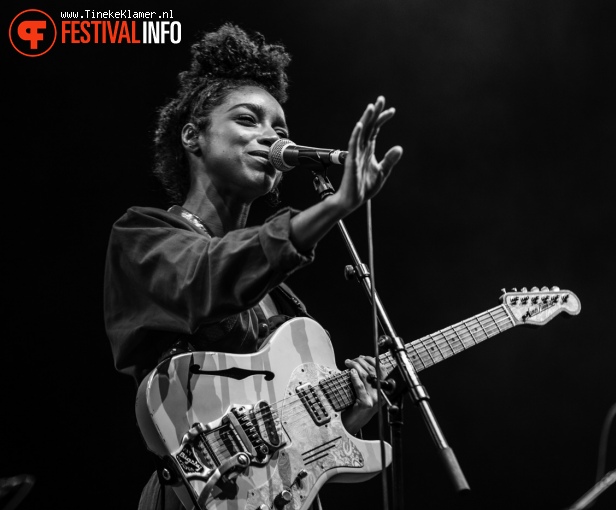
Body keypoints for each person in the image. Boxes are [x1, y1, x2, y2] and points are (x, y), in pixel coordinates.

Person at [103, 23, 403, 510]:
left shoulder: (278, 299)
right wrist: (332, 208)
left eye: (280, 130)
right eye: (248, 120)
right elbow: (206, 276)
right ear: (192, 136)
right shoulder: (144, 236)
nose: (270, 137)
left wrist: (344, 423)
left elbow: (287, 441)